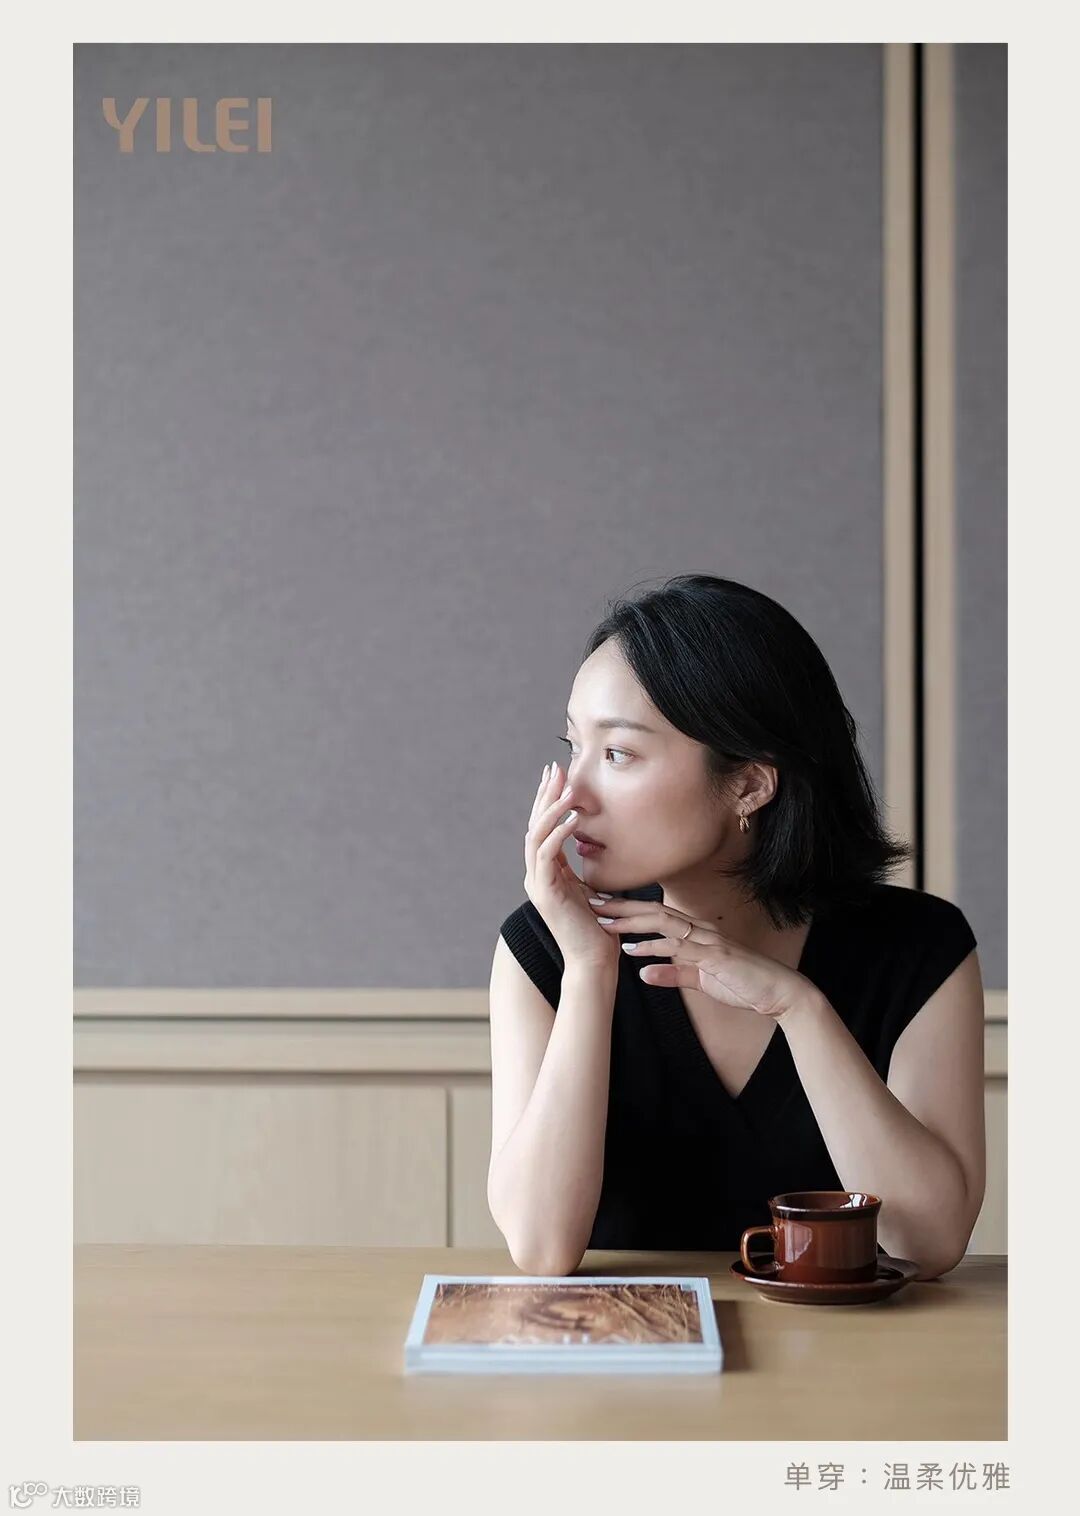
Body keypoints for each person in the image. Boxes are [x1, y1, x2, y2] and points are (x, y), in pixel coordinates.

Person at [486, 574, 986, 1280]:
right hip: (631, 1347)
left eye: (618, 754)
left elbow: (926, 1245)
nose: (573, 793)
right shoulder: (543, 944)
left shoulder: (918, 950)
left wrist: (799, 1008)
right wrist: (590, 969)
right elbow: (541, 1249)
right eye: (574, 748)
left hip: (847, 1350)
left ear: (749, 783)